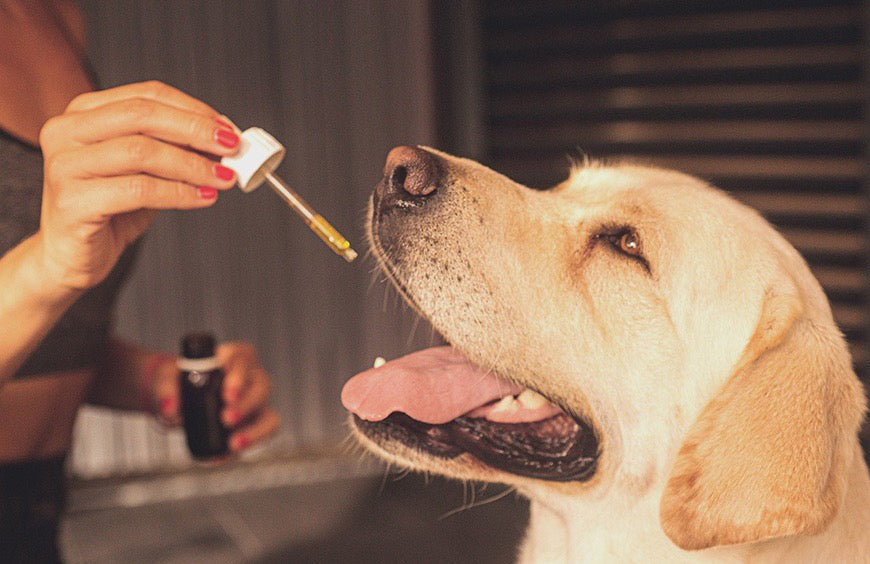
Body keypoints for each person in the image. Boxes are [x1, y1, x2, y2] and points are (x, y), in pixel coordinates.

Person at [0, 1, 281, 560]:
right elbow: (39, 272)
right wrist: (49, 262)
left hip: (38, 511)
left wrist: (159, 383)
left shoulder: (53, 15)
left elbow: (49, 340)